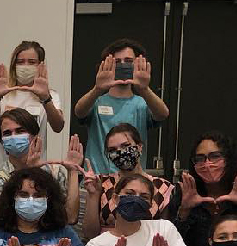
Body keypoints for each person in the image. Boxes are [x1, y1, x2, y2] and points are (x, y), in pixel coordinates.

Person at [72, 39, 169, 175]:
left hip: (131, 183)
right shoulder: (97, 101)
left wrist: (144, 89)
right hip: (96, 180)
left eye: (129, 61)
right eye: (117, 62)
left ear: (138, 65)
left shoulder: (142, 103)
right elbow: (79, 111)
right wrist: (98, 88)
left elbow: (163, 114)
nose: (123, 65)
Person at [0, 109, 83, 226]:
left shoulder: (55, 171)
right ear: (2, 142)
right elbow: (20, 220)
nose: (13, 137)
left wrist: (73, 171)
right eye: (7, 133)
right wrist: (30, 172)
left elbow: (70, 217)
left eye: (20, 131)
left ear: (35, 137)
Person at [0, 41, 64, 173]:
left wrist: (45, 98)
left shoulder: (50, 95)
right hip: (1, 168)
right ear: (14, 65)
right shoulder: (4, 92)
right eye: (20, 62)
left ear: (40, 64)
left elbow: (58, 126)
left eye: (31, 62)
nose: (25, 66)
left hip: (34, 166)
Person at [80, 124, 176, 240]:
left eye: (125, 146)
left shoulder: (163, 187)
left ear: (139, 147)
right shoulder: (102, 183)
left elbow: (167, 235)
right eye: (112, 150)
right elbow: (89, 234)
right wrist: (93, 195)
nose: (120, 152)